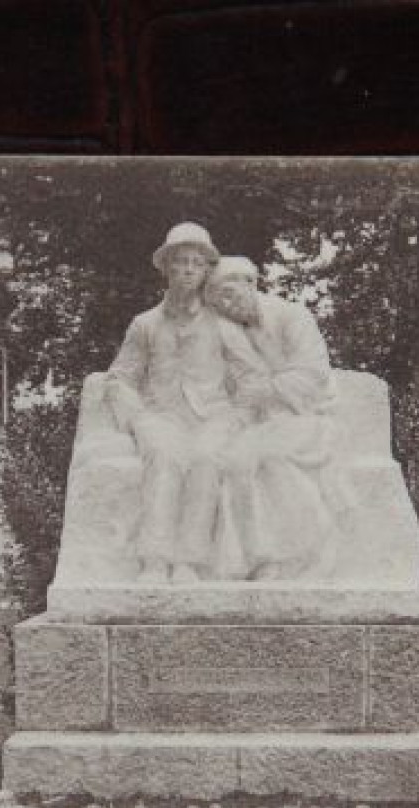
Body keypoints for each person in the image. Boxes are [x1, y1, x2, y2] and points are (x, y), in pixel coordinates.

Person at [104, 223, 250, 584]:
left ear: (205, 272)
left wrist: (240, 416)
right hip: (161, 417)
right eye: (180, 261)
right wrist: (136, 417)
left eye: (196, 264)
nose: (187, 269)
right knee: (164, 459)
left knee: (205, 460)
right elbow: (120, 376)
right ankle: (154, 560)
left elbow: (250, 375)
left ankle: (189, 561)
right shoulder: (145, 324)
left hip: (214, 417)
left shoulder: (222, 323)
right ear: (166, 267)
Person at [207, 257, 344, 580]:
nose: (227, 303)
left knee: (268, 457)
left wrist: (268, 390)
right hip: (257, 422)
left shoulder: (293, 317)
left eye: (231, 293)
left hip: (306, 415)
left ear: (251, 284)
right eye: (218, 297)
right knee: (234, 460)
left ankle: (305, 550)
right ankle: (257, 559)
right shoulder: (226, 332)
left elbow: (313, 375)